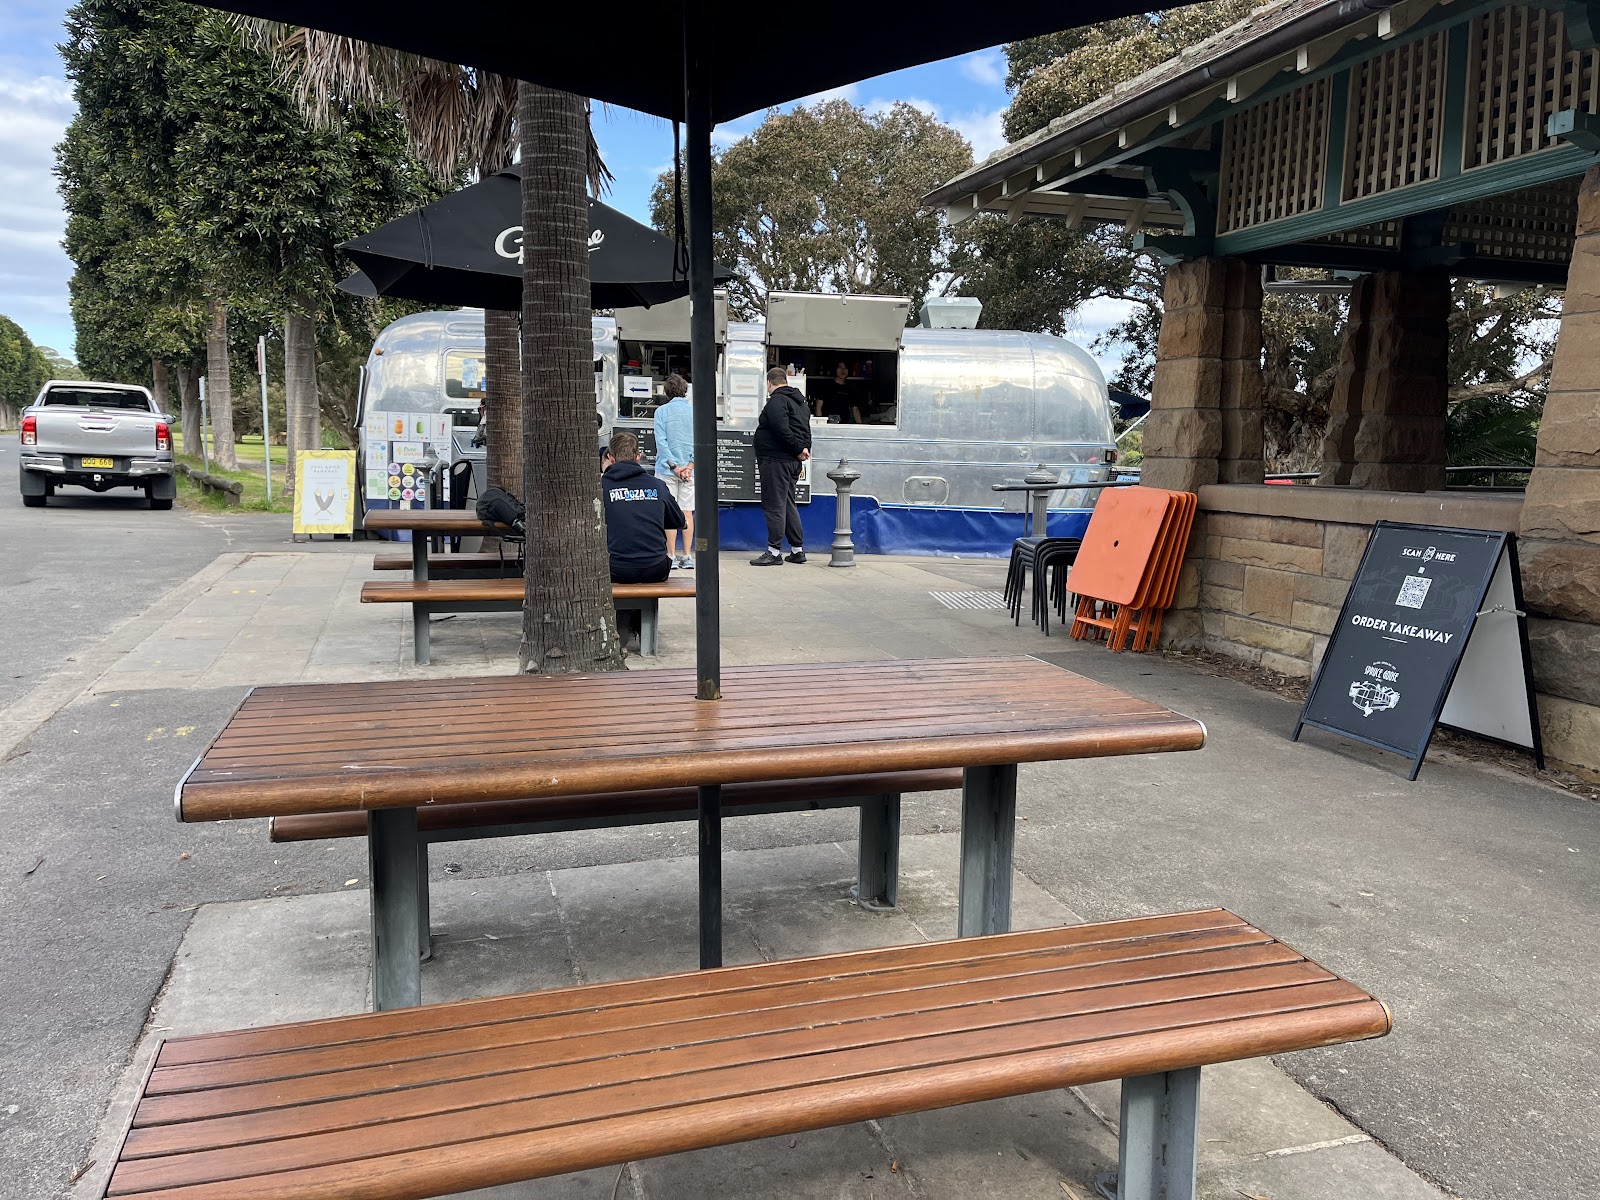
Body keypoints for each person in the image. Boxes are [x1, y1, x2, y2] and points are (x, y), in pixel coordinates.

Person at [601, 430, 685, 586]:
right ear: (638, 457)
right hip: (657, 567)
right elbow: (679, 521)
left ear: (611, 458)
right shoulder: (657, 485)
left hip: (617, 568)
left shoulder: (602, 487)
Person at [751, 366, 811, 566]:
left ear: (769, 383)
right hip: (791, 462)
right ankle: (797, 550)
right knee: (787, 503)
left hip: (776, 461)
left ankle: (774, 552)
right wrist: (804, 448)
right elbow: (805, 429)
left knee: (774, 505)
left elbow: (780, 429)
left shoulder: (777, 400)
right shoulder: (800, 402)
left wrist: (797, 448)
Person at [651, 373, 695, 569]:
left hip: (667, 469)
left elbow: (661, 443)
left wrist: (674, 467)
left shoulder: (661, 412)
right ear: (685, 390)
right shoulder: (695, 412)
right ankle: (687, 555)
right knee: (687, 511)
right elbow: (699, 442)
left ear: (667, 392)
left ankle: (670, 555)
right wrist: (689, 466)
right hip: (690, 470)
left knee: (669, 511)